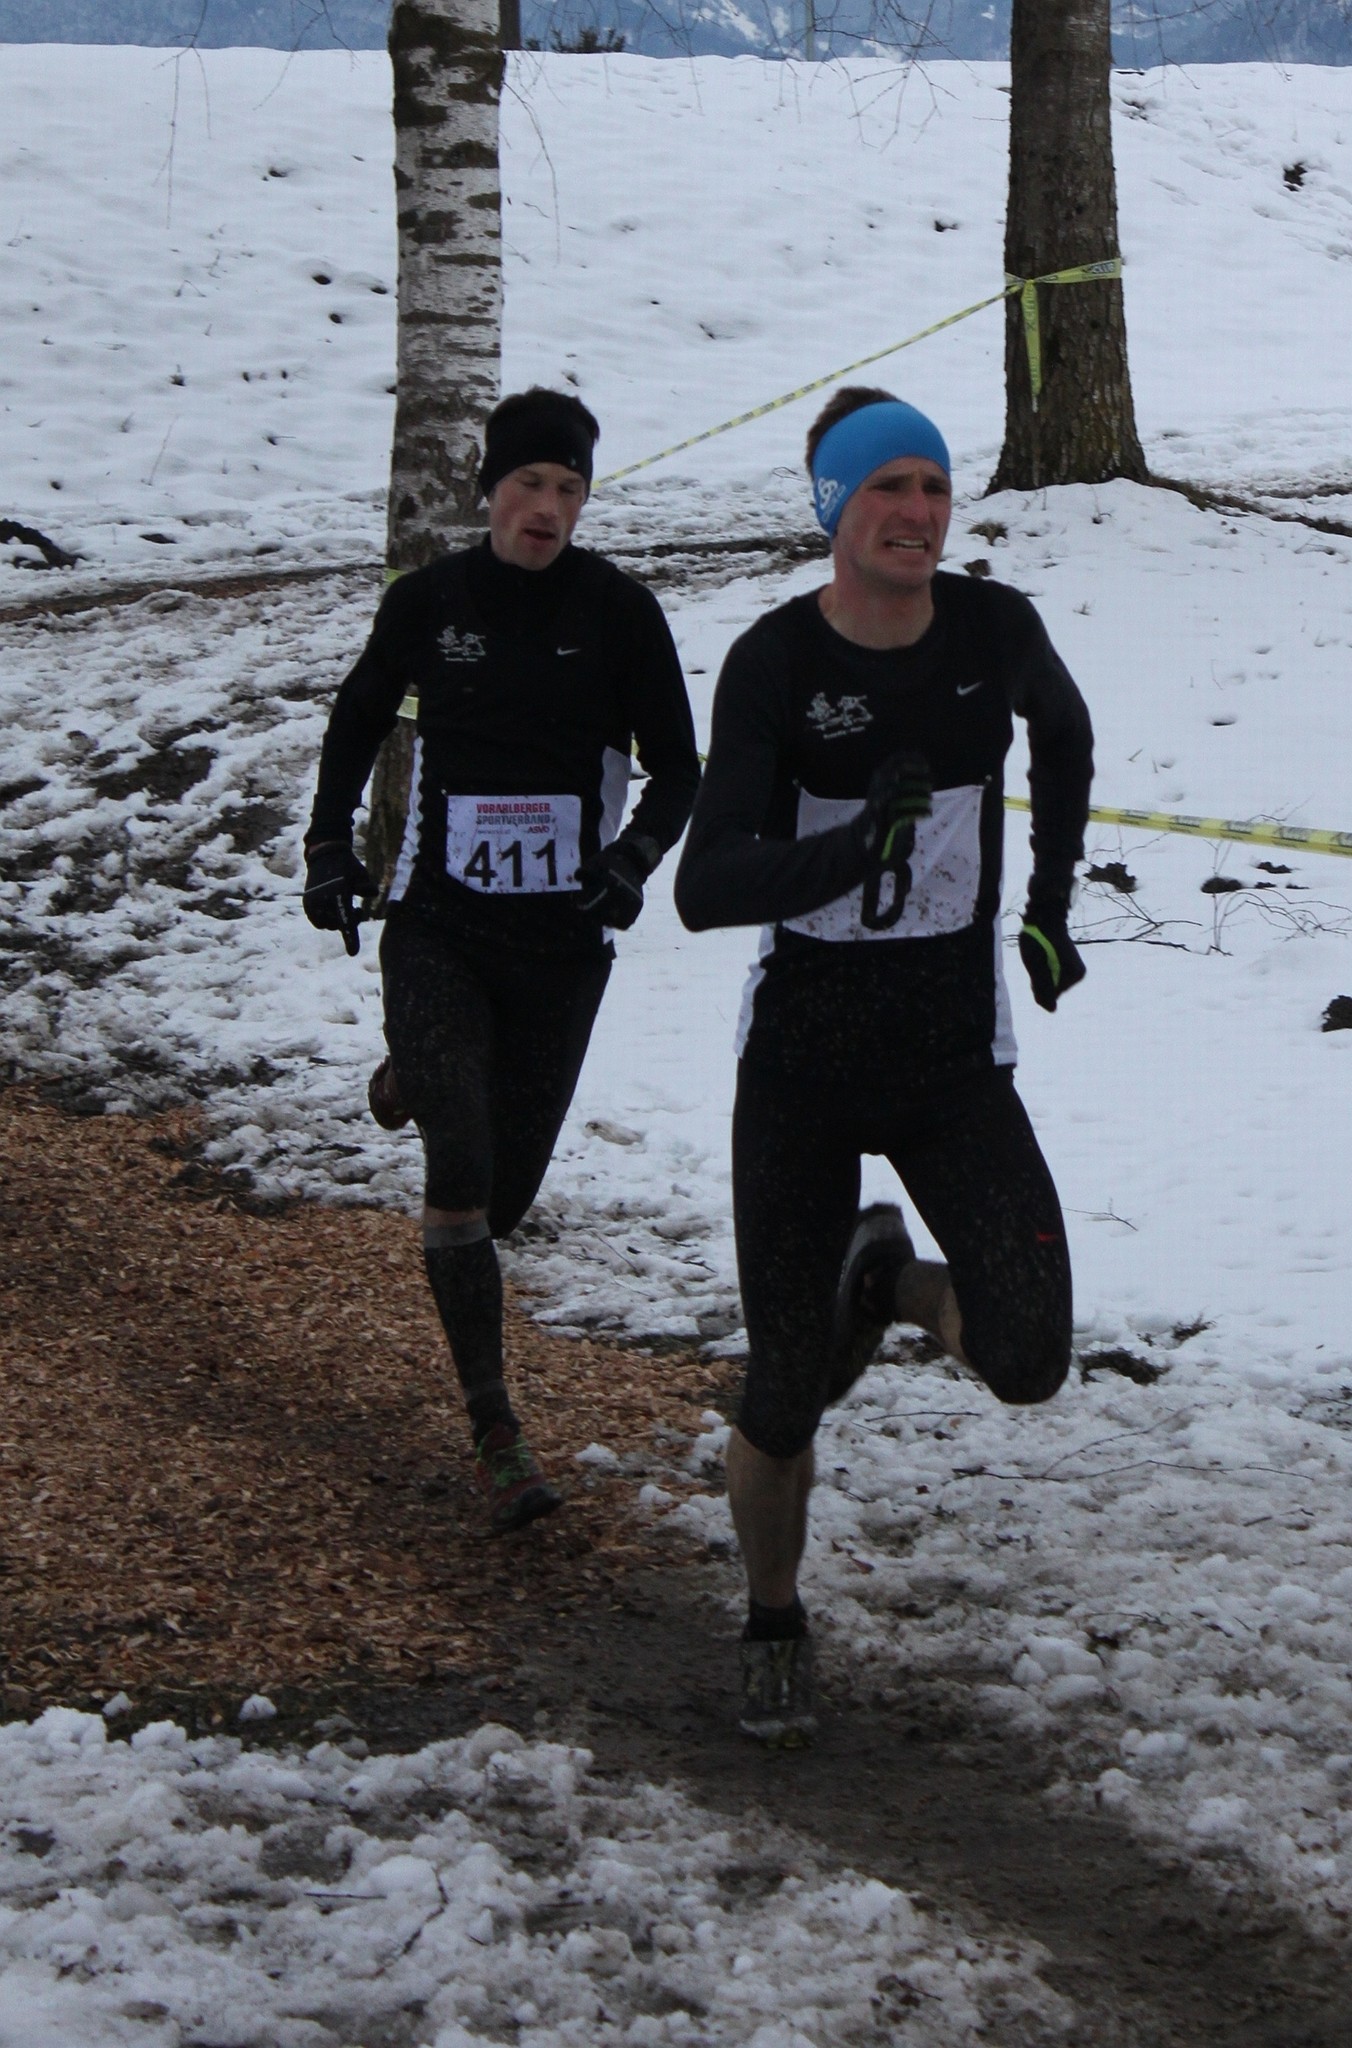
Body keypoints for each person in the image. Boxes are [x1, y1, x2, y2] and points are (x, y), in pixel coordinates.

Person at [674, 387, 1093, 1743]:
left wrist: (1049, 902)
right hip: (803, 1059)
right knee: (783, 1387)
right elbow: (704, 883)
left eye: (933, 486)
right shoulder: (774, 663)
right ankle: (773, 1618)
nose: (918, 512)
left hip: (946, 1053)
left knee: (1028, 1353)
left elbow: (1065, 734)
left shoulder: (993, 629)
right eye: (887, 489)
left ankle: (886, 1284)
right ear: (832, 509)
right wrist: (854, 849)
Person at [301, 387, 700, 1534]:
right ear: (489, 489)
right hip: (440, 925)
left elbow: (678, 769)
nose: (547, 507)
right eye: (529, 482)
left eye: (568, 488)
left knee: (503, 1199)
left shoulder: (619, 612)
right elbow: (356, 717)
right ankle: (495, 1429)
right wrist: (329, 845)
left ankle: (419, 1077)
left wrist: (630, 861)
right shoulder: (430, 602)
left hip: (560, 951)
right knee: (462, 1165)